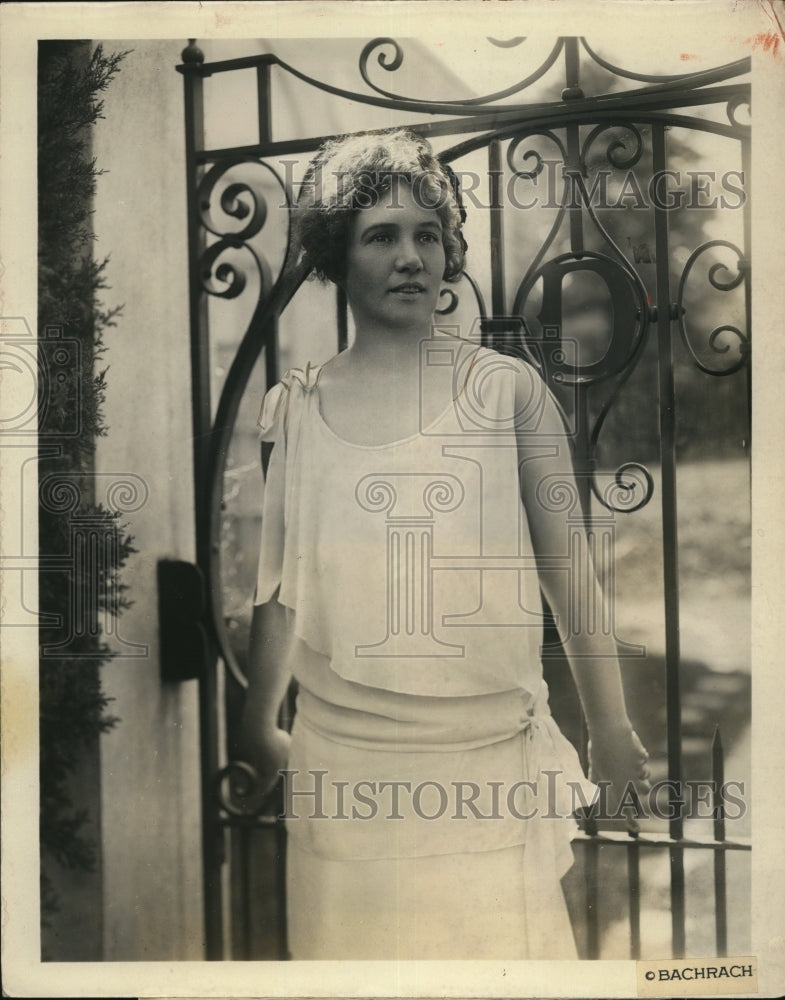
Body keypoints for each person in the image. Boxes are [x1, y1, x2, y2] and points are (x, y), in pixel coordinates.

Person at [240, 129, 650, 960]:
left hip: (482, 768)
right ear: (337, 254)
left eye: (427, 235)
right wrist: (255, 722)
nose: (409, 257)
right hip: (342, 770)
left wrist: (610, 728)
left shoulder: (505, 393)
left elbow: (570, 578)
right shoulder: (295, 408)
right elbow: (280, 586)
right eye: (380, 236)